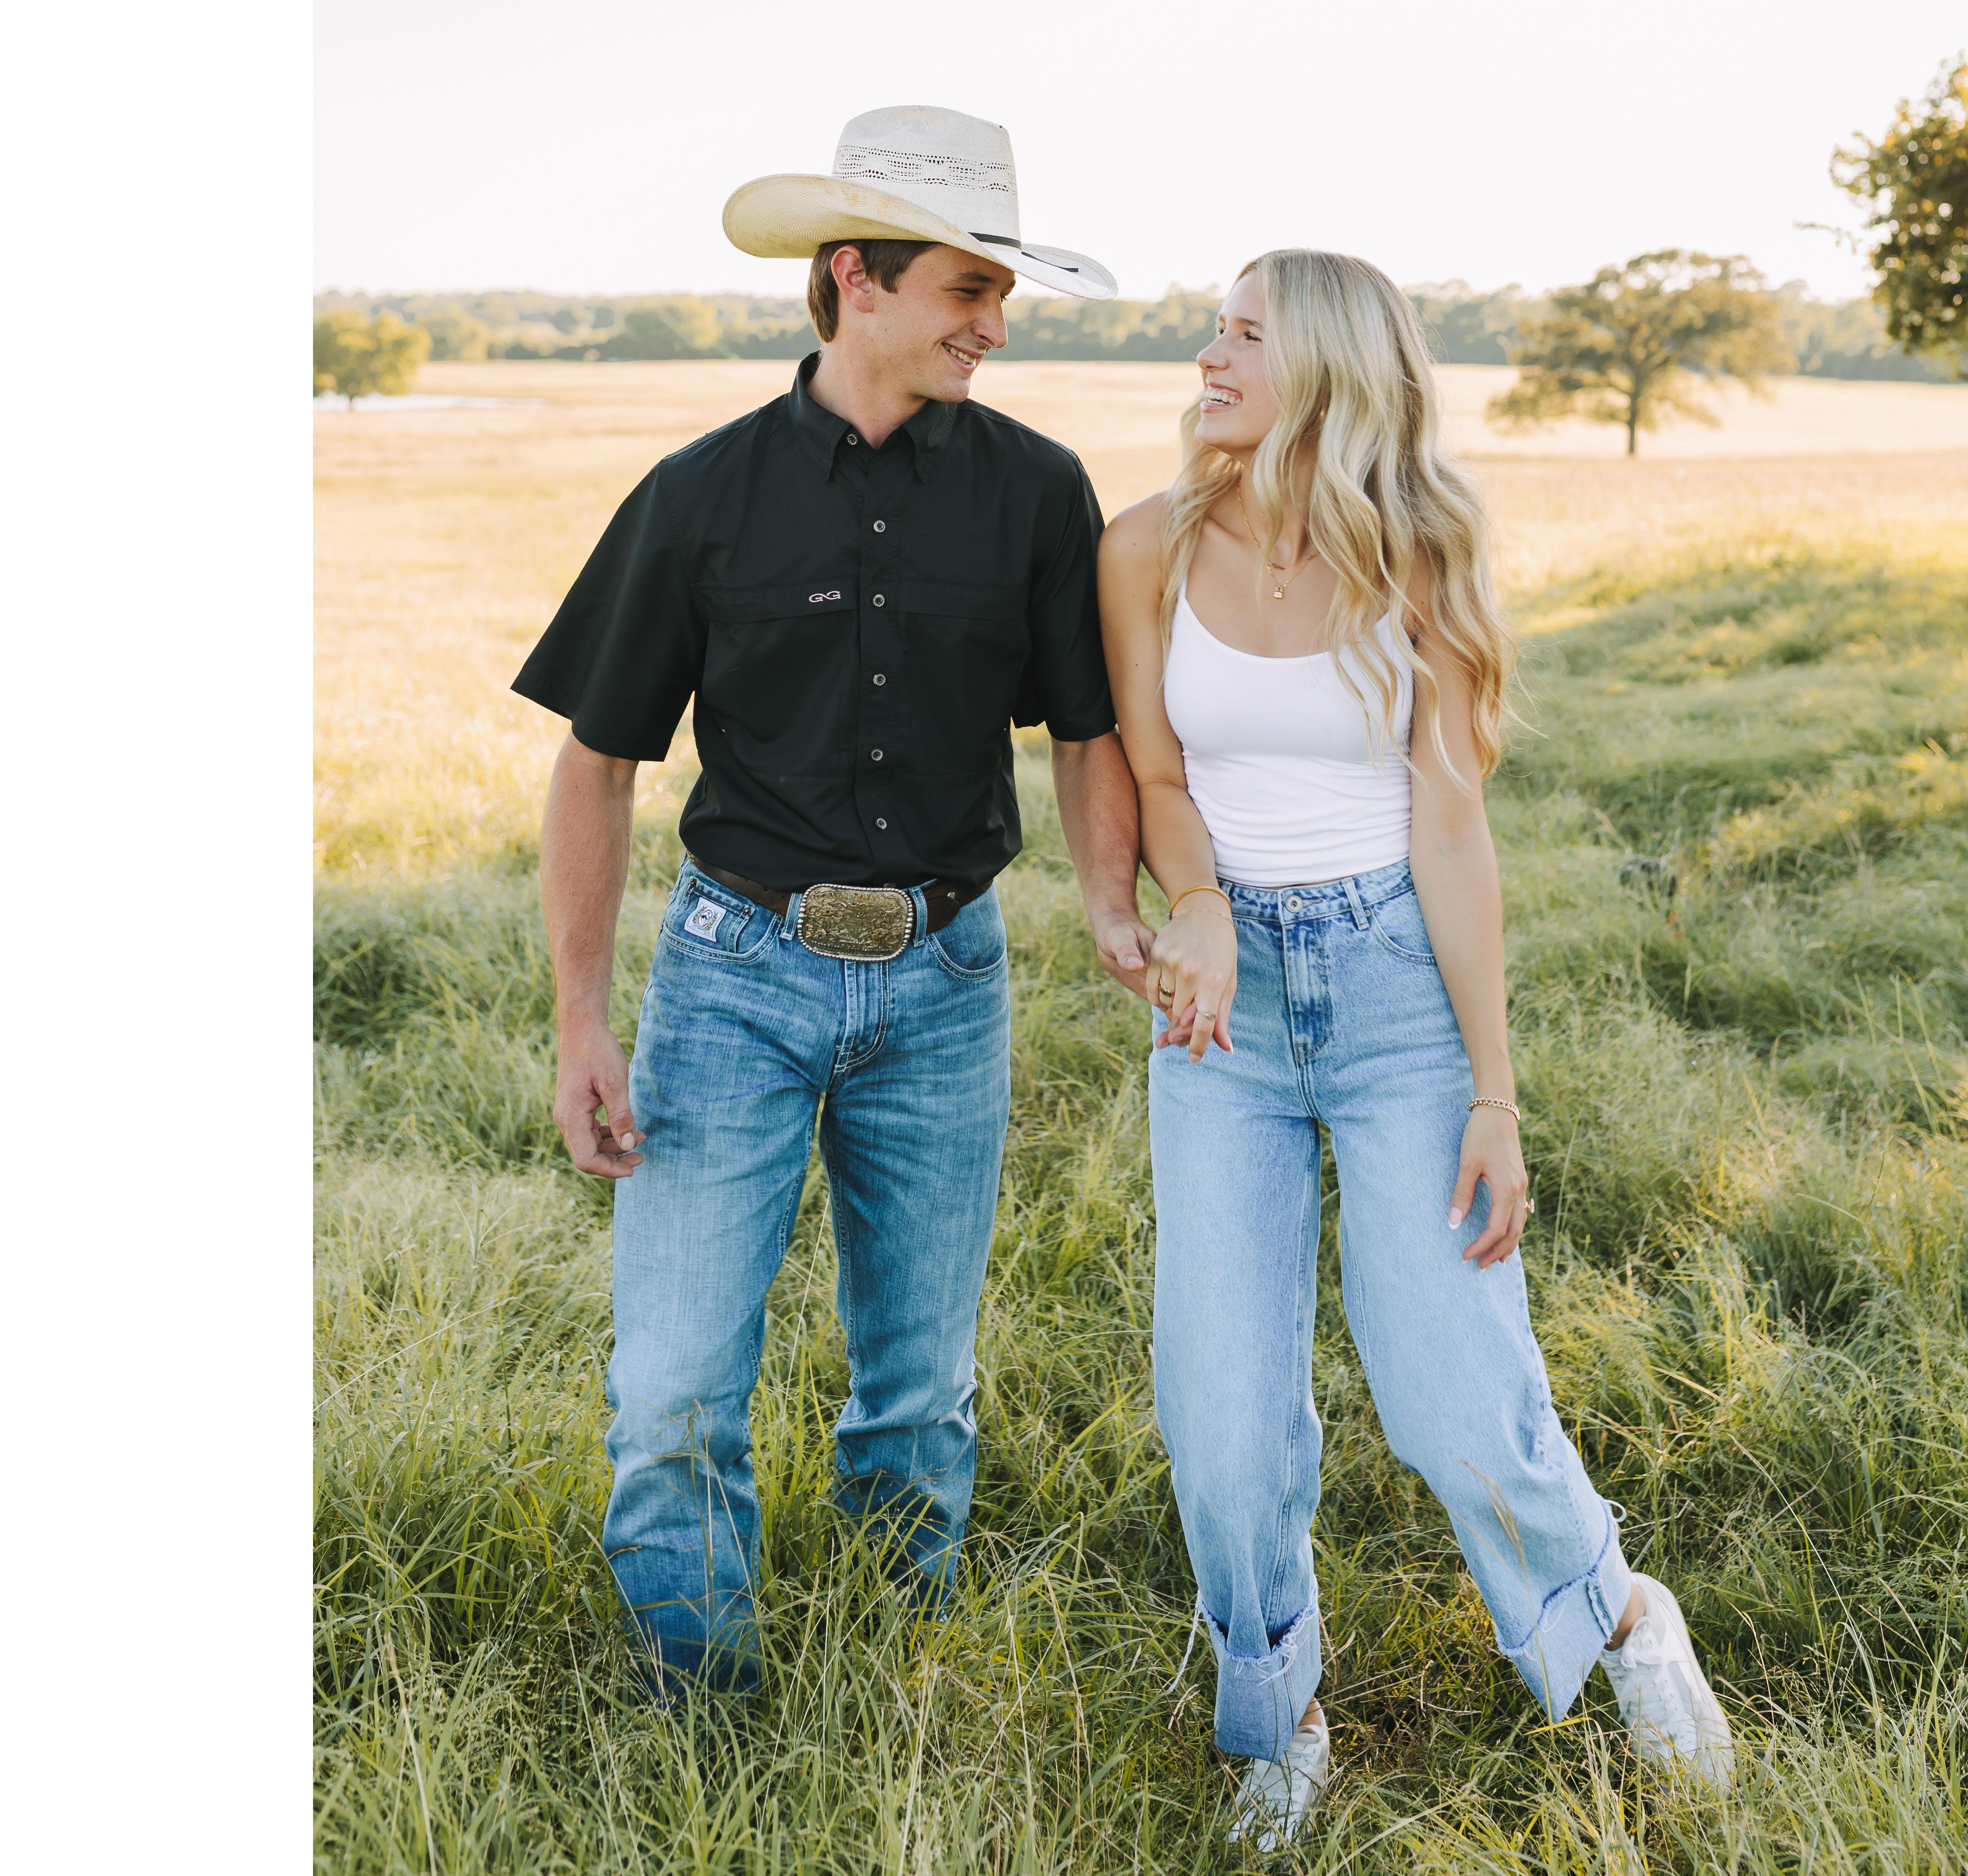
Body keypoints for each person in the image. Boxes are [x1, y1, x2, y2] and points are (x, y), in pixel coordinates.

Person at [1097, 248, 1733, 1849]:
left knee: (1455, 1395)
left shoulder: (1424, 552)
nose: (1207, 355)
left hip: (1395, 997)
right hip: (1224, 1012)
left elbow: (1452, 828)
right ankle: (1275, 1715)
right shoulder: (1144, 546)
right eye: (1214, 329)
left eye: (1243, 334)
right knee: (1222, 1415)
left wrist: (1493, 1093)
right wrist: (1197, 905)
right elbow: (1157, 774)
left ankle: (1620, 1616)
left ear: (1325, 365)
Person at [515, 106, 1154, 1694]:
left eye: (1001, 294)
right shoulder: (700, 495)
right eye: (968, 289)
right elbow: (597, 763)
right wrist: (582, 1019)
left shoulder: (1038, 493)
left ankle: (890, 1679)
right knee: (672, 1392)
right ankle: (697, 1705)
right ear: (858, 278)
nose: (994, 325)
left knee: (920, 1392)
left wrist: (1110, 906)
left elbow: (1088, 731)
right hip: (732, 978)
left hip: (948, 982)